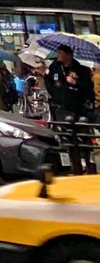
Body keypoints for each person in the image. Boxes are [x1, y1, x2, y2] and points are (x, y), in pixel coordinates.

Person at [45, 44, 96, 173]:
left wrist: (75, 83)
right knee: (65, 136)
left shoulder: (81, 69)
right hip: (61, 107)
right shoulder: (55, 67)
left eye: (61, 53)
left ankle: (86, 162)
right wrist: (55, 92)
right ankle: (71, 164)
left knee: (82, 136)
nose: (58, 55)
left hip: (78, 107)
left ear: (68, 55)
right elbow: (49, 81)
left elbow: (88, 89)